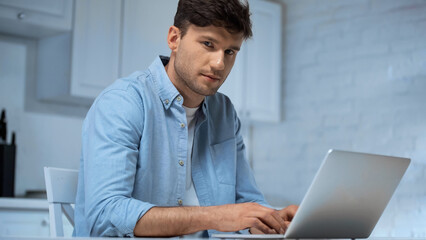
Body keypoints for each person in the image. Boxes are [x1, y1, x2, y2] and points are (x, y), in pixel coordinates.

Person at [74, 0, 298, 237]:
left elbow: (247, 202)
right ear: (174, 39)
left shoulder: (225, 112)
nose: (219, 63)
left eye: (230, 51)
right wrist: (217, 216)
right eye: (208, 44)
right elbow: (105, 215)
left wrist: (268, 220)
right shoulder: (124, 102)